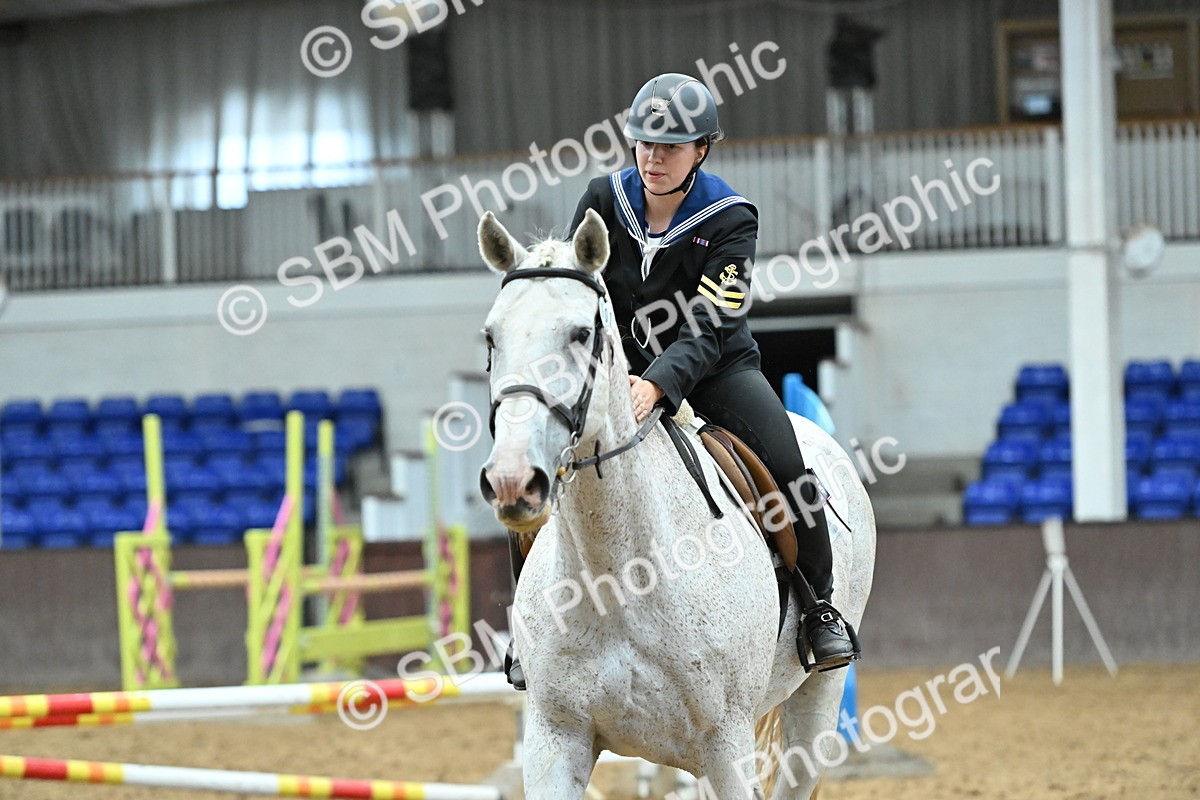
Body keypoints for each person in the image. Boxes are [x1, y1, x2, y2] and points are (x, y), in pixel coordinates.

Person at [504, 73, 857, 690]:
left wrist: (659, 386)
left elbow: (711, 322)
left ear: (701, 150)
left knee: (789, 468)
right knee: (538, 461)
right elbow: (577, 298)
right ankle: (529, 628)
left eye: (670, 146)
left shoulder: (731, 217)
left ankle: (818, 605)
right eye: (643, 142)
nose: (652, 157)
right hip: (619, 374)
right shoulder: (602, 198)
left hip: (718, 365)